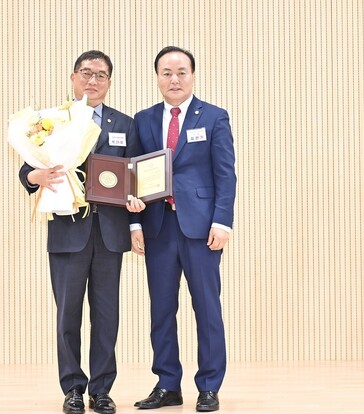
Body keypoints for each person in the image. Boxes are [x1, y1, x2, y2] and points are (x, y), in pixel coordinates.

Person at [18, 50, 145, 414]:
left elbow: (136, 176)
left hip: (110, 234)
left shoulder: (125, 124)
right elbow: (27, 170)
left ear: (109, 82)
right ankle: (73, 387)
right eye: (86, 73)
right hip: (68, 232)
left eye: (100, 75)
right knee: (68, 315)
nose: (93, 80)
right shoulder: (52, 121)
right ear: (73, 78)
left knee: (106, 315)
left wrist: (136, 217)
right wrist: (36, 176)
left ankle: (102, 390)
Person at [130, 46, 237, 412]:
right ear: (157, 77)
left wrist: (222, 222)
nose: (174, 79)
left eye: (181, 72)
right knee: (161, 310)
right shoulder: (143, 120)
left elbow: (226, 175)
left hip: (202, 229)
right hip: (158, 227)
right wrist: (134, 222)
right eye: (166, 73)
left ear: (192, 75)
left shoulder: (214, 117)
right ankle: (167, 385)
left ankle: (209, 386)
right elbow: (132, 176)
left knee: (207, 308)